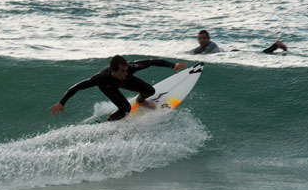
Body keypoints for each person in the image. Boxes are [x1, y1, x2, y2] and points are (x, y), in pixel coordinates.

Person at [50, 55, 188, 121]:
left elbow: (151, 62)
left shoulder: (129, 70)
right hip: (108, 87)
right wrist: (62, 102)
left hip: (124, 82)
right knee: (125, 109)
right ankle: (108, 123)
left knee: (150, 91)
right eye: (122, 71)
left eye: (126, 70)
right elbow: (78, 87)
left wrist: (173, 65)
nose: (126, 72)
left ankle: (141, 101)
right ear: (113, 71)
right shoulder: (101, 78)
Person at [190, 29, 287, 55]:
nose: (202, 40)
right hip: (230, 52)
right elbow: (193, 52)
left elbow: (205, 55)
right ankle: (275, 45)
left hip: (233, 53)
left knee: (261, 54)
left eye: (204, 38)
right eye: (200, 38)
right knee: (260, 53)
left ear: (208, 39)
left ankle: (275, 45)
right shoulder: (201, 47)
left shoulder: (211, 45)